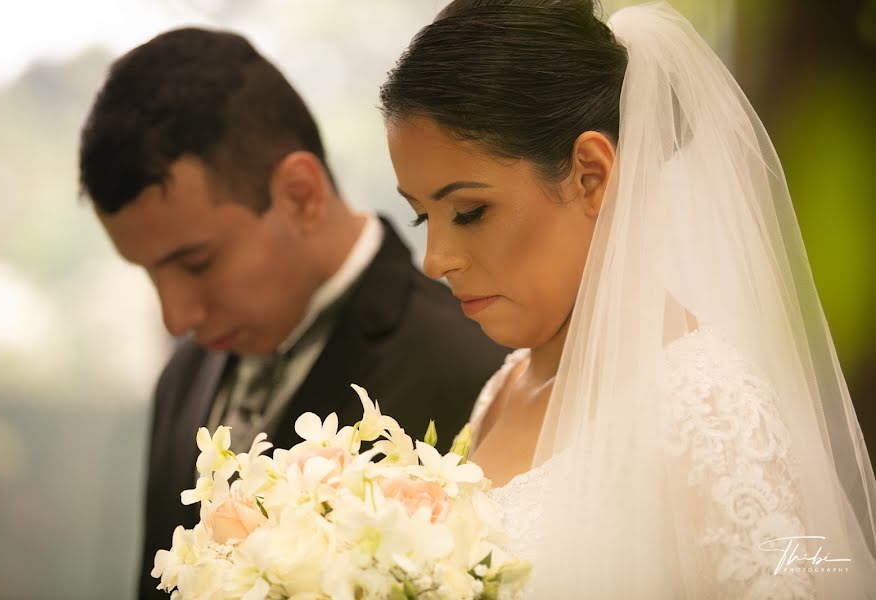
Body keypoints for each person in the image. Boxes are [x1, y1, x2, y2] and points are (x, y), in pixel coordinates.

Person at [381, 0, 876, 597]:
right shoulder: (507, 384)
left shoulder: (705, 411)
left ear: (592, 175)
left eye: (469, 212)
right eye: (420, 219)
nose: (435, 260)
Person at [78, 27, 507, 599]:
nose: (175, 316)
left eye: (196, 262)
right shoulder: (184, 377)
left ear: (301, 193)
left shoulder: (476, 368)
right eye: (149, 273)